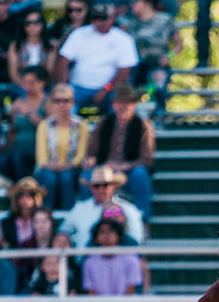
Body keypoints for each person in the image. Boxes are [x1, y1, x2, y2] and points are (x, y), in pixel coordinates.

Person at [87, 84, 156, 218]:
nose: (123, 106)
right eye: (120, 102)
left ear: (134, 105)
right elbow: (92, 152)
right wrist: (91, 160)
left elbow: (147, 159)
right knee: (87, 175)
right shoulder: (103, 123)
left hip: (130, 173)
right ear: (113, 105)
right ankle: (91, 216)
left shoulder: (142, 125)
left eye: (128, 103)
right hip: (104, 173)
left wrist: (124, 166)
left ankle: (143, 219)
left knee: (140, 174)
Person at [55, 1, 137, 112]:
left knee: (121, 101)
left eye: (103, 18)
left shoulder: (123, 39)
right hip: (78, 87)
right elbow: (63, 61)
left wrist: (105, 90)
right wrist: (63, 86)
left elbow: (124, 72)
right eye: (95, 18)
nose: (99, 22)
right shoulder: (79, 34)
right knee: (63, 102)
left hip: (110, 89)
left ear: (112, 18)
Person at [62, 163, 144, 246]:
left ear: (113, 186)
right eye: (97, 186)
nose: (101, 189)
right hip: (85, 257)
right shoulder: (79, 209)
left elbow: (136, 240)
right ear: (91, 188)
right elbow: (63, 232)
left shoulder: (128, 209)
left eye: (105, 185)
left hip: (121, 257)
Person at [118, 0, 178, 106]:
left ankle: (159, 115)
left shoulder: (165, 19)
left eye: (135, 2)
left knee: (159, 79)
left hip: (157, 63)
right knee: (125, 84)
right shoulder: (127, 21)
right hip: (135, 64)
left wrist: (169, 56)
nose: (131, 5)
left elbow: (179, 43)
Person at [9, 7, 57, 84]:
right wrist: (25, 87)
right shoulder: (15, 45)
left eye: (37, 22)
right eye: (28, 23)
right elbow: (13, 74)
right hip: (22, 85)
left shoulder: (51, 44)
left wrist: (39, 87)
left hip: (44, 86)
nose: (32, 26)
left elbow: (50, 71)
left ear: (42, 24)